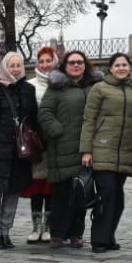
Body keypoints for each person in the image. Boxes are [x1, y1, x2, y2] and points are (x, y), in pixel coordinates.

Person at [0, 50, 41, 250]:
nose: (15, 69)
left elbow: (33, 120)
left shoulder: (28, 89)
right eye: (11, 65)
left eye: (18, 65)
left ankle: (5, 231)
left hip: (18, 151)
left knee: (13, 191)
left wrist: (36, 146)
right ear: (4, 67)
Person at [80, 52, 132, 252]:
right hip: (102, 149)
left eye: (125, 64)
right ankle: (99, 239)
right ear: (111, 68)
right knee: (106, 196)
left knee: (118, 200)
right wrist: (86, 150)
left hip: (125, 152)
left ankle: (108, 236)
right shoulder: (100, 88)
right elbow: (89, 120)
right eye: (117, 65)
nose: (122, 68)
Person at [38, 50, 98, 248]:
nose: (76, 65)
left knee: (81, 195)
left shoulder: (94, 86)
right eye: (72, 62)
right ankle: (57, 233)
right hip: (62, 147)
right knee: (61, 195)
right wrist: (57, 130)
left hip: (85, 149)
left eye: (79, 62)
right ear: (65, 65)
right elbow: (45, 112)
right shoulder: (57, 87)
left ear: (85, 64)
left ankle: (76, 234)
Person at [22, 44, 58, 243]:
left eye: (48, 61)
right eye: (42, 61)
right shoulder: (31, 84)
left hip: (55, 143)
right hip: (37, 142)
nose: (45, 65)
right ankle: (36, 226)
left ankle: (48, 227)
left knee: (51, 185)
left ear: (55, 62)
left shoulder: (61, 83)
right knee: (36, 185)